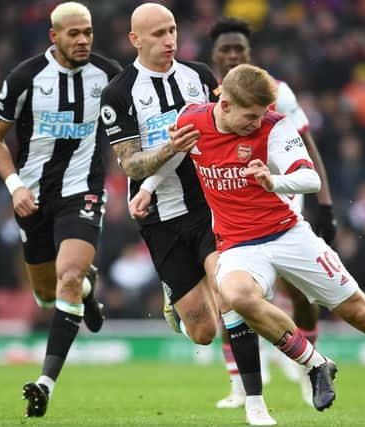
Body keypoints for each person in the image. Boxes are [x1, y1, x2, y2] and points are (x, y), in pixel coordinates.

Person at [136, 63, 365, 426]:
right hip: (238, 244)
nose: (256, 122)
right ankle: (316, 363)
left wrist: (274, 182)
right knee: (235, 295)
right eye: (250, 116)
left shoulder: (274, 125)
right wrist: (146, 188)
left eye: (261, 115)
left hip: (288, 234)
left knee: (364, 314)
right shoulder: (193, 118)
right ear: (225, 105)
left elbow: (309, 177)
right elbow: (175, 151)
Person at [0, 2, 121, 418]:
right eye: (74, 34)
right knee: (46, 292)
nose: (83, 41)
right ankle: (88, 291)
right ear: (53, 36)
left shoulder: (108, 73)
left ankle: (44, 383)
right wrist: (14, 185)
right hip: (33, 195)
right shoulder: (25, 77)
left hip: (83, 190)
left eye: (88, 33)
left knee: (69, 275)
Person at [208, 16, 336, 409]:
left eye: (239, 50)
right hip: (228, 206)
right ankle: (239, 383)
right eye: (225, 50)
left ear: (250, 54)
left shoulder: (276, 93)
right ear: (214, 55)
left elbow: (308, 147)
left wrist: (326, 205)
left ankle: (306, 366)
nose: (231, 56)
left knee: (298, 291)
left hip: (280, 199)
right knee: (231, 292)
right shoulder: (201, 94)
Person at [100, 1, 221, 350]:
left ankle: (252, 399)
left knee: (228, 289)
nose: (169, 40)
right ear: (135, 39)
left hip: (207, 204)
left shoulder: (199, 75)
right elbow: (130, 165)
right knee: (203, 332)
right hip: (159, 216)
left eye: (172, 30)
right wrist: (171, 147)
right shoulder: (118, 93)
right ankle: (176, 295)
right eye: (158, 34)